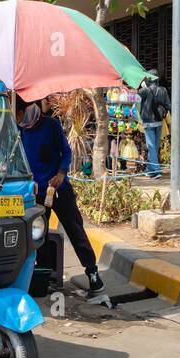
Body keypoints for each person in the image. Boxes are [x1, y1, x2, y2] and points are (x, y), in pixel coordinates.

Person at [15, 96, 104, 296]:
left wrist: (61, 173)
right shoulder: (19, 130)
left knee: (75, 229)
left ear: (27, 109)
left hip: (59, 189)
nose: (18, 118)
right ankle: (44, 277)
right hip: (36, 192)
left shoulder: (51, 125)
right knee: (40, 235)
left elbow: (66, 152)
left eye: (19, 114)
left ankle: (92, 273)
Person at [138, 71, 170, 178]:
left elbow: (133, 99)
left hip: (148, 122)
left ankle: (156, 170)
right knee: (155, 147)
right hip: (159, 121)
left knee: (151, 146)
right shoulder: (163, 90)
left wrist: (141, 85)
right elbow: (168, 105)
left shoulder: (144, 91)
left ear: (149, 78)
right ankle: (150, 170)